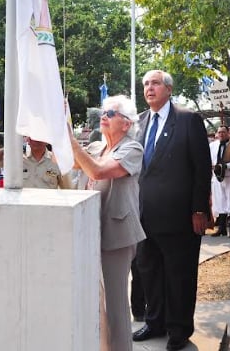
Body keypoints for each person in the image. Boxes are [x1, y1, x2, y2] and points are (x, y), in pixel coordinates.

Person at [132, 70, 211, 351]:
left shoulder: (188, 119)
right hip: (144, 217)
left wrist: (199, 209)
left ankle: (178, 329)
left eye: (154, 83)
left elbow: (202, 168)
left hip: (179, 217)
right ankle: (155, 322)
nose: (148, 88)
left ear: (168, 88)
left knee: (179, 275)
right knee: (148, 272)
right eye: (145, 85)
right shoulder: (139, 122)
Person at [70, 95, 146, 351]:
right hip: (89, 231)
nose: (104, 116)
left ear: (126, 124)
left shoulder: (132, 148)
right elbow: (62, 161)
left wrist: (70, 140)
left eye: (111, 113)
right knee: (94, 302)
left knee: (115, 305)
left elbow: (98, 172)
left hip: (117, 234)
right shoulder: (94, 147)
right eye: (103, 112)